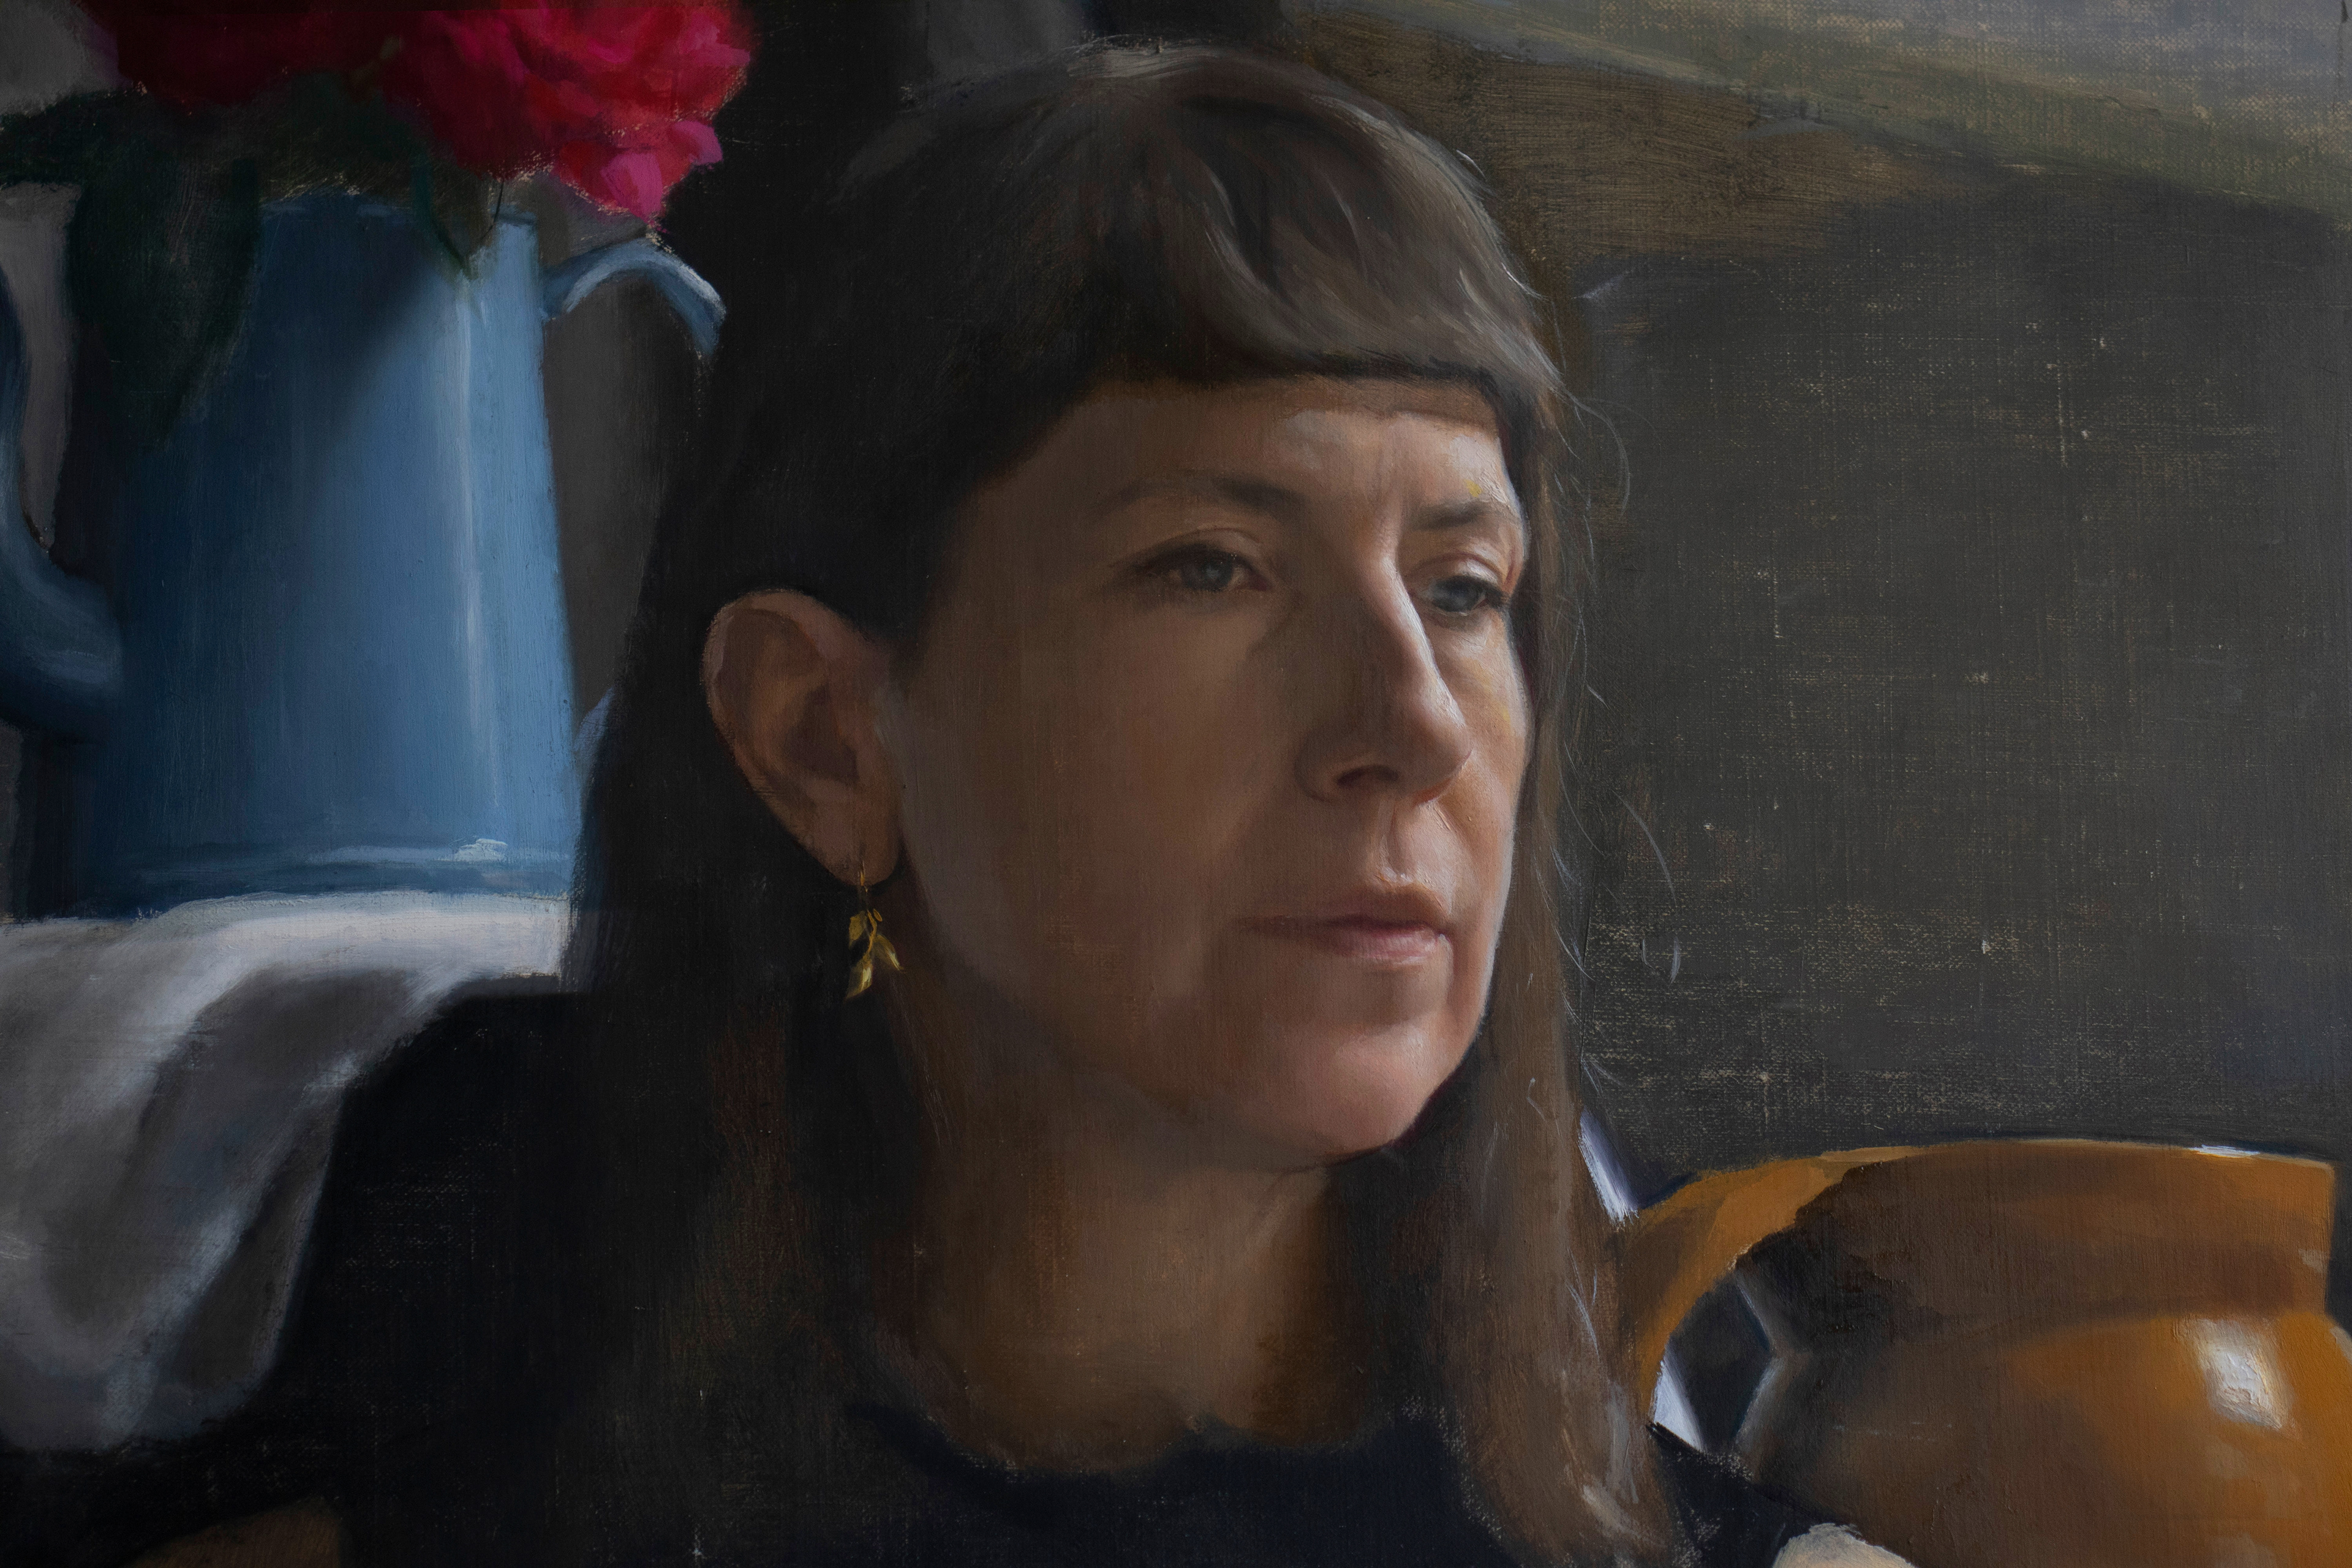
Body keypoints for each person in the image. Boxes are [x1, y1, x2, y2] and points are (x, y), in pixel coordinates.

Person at [4, 43, 1885, 1568]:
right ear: (822, 737)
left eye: (1465, 590)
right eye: (1213, 567)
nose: (1409, 724)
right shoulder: (492, 1299)